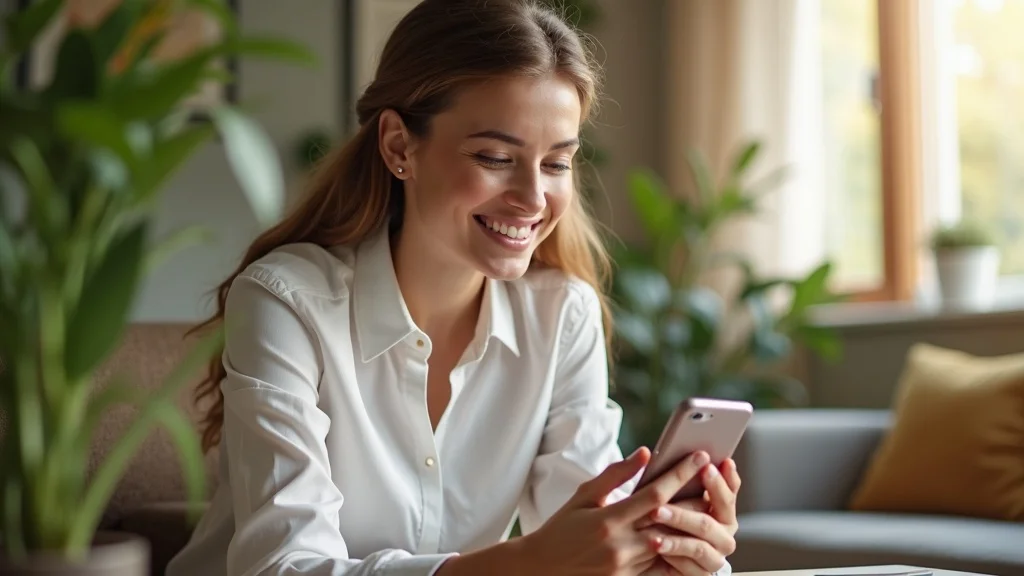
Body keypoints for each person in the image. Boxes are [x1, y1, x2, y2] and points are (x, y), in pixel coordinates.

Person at [167, 1, 742, 575]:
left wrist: (670, 551)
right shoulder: (286, 302)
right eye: (495, 157)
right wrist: (527, 563)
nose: (534, 199)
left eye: (557, 164)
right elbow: (282, 567)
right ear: (398, 146)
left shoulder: (561, 315)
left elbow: (587, 531)